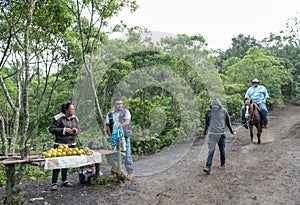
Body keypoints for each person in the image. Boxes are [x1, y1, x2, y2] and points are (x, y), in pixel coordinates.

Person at [49, 103, 79, 191]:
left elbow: (78, 128)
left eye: (73, 109)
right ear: (66, 110)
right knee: (57, 163)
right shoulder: (58, 118)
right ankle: (54, 183)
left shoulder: (75, 118)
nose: (72, 111)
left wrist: (75, 130)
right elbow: (51, 129)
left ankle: (64, 180)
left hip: (71, 144)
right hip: (60, 144)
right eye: (71, 109)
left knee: (66, 162)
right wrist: (64, 130)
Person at [203, 99, 236, 174]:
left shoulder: (224, 111)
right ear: (211, 106)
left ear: (219, 106)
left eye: (216, 107)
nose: (215, 108)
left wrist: (231, 131)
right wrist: (205, 131)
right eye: (213, 107)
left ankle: (223, 163)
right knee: (211, 150)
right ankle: (208, 167)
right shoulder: (208, 112)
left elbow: (228, 122)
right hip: (212, 134)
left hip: (221, 134)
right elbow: (206, 122)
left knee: (222, 150)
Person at [106, 99, 134, 180]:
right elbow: (107, 125)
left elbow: (127, 121)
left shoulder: (126, 112)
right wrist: (110, 134)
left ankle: (130, 172)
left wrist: (119, 128)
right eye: (118, 104)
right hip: (114, 137)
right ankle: (114, 171)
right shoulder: (110, 114)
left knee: (127, 154)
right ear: (114, 105)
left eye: (121, 104)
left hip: (124, 136)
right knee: (114, 154)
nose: (120, 105)